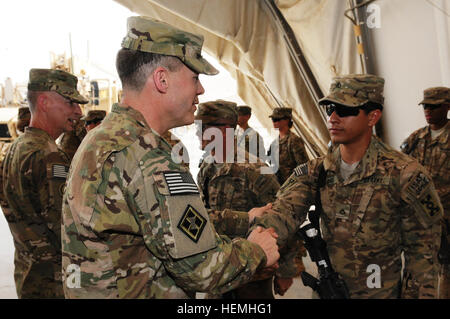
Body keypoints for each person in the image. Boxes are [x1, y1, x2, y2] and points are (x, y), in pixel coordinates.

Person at [61, 16, 279, 299]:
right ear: (162, 79)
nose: (200, 90)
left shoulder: (103, 138)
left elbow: (161, 221)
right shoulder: (150, 157)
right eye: (195, 77)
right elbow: (202, 268)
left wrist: (244, 218)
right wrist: (257, 250)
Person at [254, 74, 443, 298]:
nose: (333, 118)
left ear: (372, 116)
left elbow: (423, 255)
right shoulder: (317, 171)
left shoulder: (404, 174)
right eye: (329, 109)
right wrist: (256, 239)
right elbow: (283, 212)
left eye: (344, 110)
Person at [2, 68, 86, 298]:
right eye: (70, 103)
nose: (78, 111)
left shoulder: (15, 149)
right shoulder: (48, 156)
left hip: (29, 274)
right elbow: (65, 229)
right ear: (45, 102)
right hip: (55, 282)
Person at [196, 99, 286, 299]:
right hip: (219, 270)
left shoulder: (255, 169)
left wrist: (284, 269)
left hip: (252, 275)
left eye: (203, 127)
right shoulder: (206, 168)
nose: (197, 132)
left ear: (226, 129)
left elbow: (281, 218)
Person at [400, 86, 449, 298]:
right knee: (421, 263)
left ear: (447, 107)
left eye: (434, 106)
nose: (428, 111)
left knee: (446, 264)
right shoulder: (417, 138)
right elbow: (398, 167)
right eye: (425, 106)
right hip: (420, 216)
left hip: (447, 214)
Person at [267, 107, 309, 185]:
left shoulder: (294, 140)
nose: (274, 122)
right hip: (279, 185)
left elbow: (304, 166)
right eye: (273, 119)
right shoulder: (274, 143)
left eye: (277, 119)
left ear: (286, 120)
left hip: (293, 186)